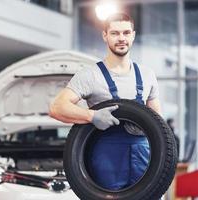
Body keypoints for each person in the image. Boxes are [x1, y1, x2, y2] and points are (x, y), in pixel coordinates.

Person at [49, 13, 161, 191]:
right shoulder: (90, 75)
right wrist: (91, 115)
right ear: (105, 36)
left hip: (143, 155)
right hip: (106, 157)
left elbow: (158, 123)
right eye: (115, 33)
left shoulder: (148, 75)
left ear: (133, 35)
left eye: (126, 32)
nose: (121, 38)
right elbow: (57, 107)